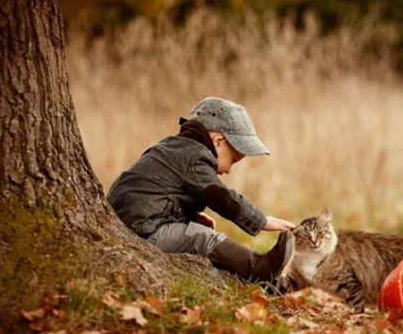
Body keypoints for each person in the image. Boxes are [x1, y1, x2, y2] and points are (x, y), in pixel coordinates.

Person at [107, 97, 295, 282]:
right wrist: (261, 220)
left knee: (196, 230)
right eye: (233, 160)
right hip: (141, 233)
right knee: (201, 237)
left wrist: (188, 216)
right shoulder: (196, 157)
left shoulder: (174, 147)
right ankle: (261, 268)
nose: (228, 170)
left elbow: (158, 191)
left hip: (131, 224)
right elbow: (221, 197)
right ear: (219, 140)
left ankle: (266, 284)